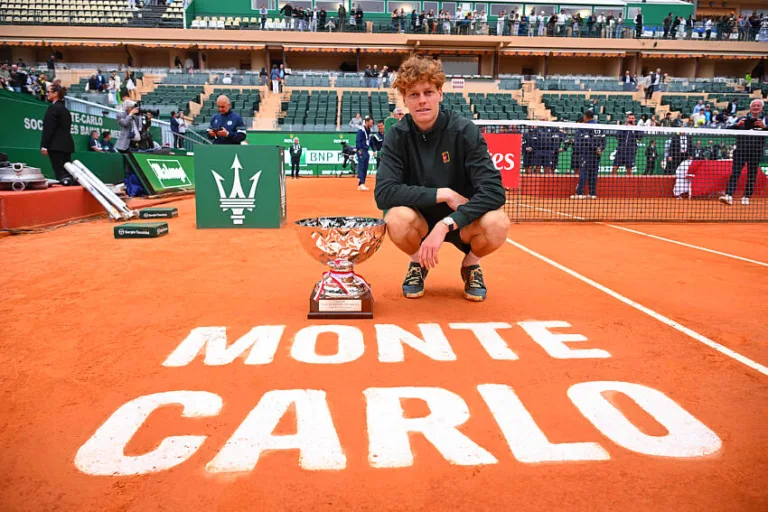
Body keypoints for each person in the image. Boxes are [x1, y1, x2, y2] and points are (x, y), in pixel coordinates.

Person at [374, 55, 508, 302]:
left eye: (428, 92)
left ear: (440, 94)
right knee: (395, 218)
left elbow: (494, 192)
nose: (422, 100)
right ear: (404, 99)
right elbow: (383, 194)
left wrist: (447, 223)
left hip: (463, 220)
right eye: (414, 94)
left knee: (498, 222)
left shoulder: (465, 130)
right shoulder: (397, 135)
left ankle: (471, 265)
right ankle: (418, 263)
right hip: (420, 221)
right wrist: (442, 194)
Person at [719, 99, 767, 206]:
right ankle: (728, 195)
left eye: (758, 105)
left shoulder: (766, 120)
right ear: (750, 108)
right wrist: (737, 125)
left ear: (762, 108)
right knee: (735, 173)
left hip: (756, 152)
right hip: (741, 151)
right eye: (754, 105)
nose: (755, 107)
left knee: (752, 175)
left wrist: (764, 127)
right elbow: (726, 130)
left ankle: (746, 197)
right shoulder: (741, 119)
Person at [40, 83, 76, 185]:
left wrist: (44, 145)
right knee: (68, 174)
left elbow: (49, 128)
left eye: (48, 92)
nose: (47, 94)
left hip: (56, 147)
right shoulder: (65, 110)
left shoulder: (53, 108)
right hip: (66, 146)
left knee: (61, 176)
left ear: (56, 93)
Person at [570, 110, 605, 199]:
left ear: (585, 116)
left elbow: (587, 140)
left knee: (583, 172)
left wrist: (595, 148)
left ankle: (579, 193)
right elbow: (604, 140)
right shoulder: (599, 126)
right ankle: (592, 193)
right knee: (593, 174)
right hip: (596, 155)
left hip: (587, 153)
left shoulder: (585, 126)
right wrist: (600, 149)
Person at [355, 115, 373, 191]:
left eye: (372, 123)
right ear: (366, 122)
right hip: (361, 150)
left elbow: (370, 141)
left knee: (365, 167)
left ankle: (361, 184)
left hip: (366, 151)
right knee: (361, 167)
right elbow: (357, 141)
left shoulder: (369, 131)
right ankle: (361, 183)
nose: (371, 124)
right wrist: (359, 150)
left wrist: (373, 150)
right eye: (370, 123)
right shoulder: (361, 130)